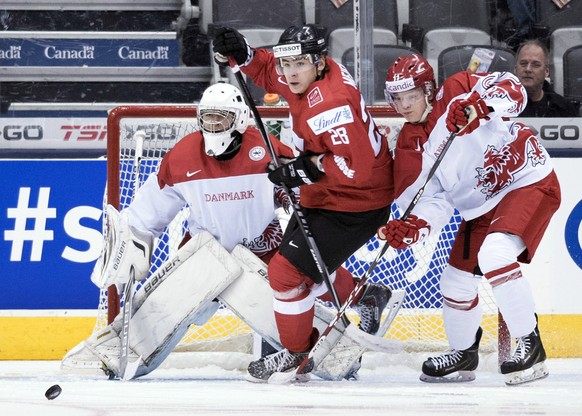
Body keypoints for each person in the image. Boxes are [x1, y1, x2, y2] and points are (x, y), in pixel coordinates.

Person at [62, 82, 297, 378]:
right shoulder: (183, 156)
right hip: (205, 250)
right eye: (207, 117)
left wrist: (295, 196)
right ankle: (111, 353)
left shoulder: (269, 150)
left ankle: (319, 350)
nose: (212, 124)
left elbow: (303, 187)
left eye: (220, 117)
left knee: (290, 301)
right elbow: (148, 211)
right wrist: (132, 243)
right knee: (168, 303)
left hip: (263, 248)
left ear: (238, 119)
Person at [212, 24, 395, 382]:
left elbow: (357, 169)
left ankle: (297, 354)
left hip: (355, 203)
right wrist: (243, 51)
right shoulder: (309, 78)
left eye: (298, 64)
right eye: (287, 63)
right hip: (326, 194)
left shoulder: (331, 104)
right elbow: (268, 71)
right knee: (303, 270)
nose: (290, 72)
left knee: (285, 273)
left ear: (318, 62)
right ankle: (367, 296)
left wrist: (304, 169)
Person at [378, 54, 561, 385]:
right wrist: (415, 227)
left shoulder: (459, 88)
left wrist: (480, 107)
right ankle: (464, 354)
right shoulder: (409, 144)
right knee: (454, 283)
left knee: (495, 255)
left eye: (411, 96)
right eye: (397, 98)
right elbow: (433, 200)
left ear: (429, 90)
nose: (404, 106)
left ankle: (529, 343)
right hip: (480, 206)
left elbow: (514, 91)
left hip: (525, 178)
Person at [514, 39, 579, 117]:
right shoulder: (500, 106)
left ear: (547, 71)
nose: (528, 69)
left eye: (536, 65)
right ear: (515, 69)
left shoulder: (564, 108)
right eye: (523, 64)